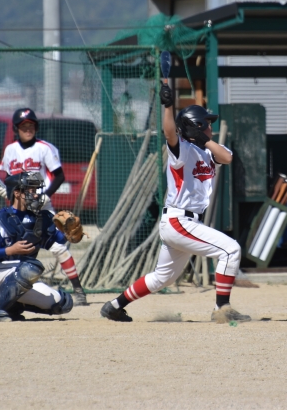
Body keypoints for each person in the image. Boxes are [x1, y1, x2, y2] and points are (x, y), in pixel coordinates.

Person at [100, 83, 250, 323]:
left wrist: (203, 138)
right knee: (230, 249)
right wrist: (168, 106)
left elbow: (228, 157)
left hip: (185, 223)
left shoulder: (208, 151)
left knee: (163, 278)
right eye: (206, 124)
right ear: (195, 126)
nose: (210, 127)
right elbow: (170, 133)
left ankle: (115, 306)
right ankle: (222, 308)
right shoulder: (183, 150)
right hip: (179, 220)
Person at [0, 108, 87, 306]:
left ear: (36, 127)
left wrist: (45, 195)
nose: (28, 129)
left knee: (59, 248)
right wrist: (7, 191)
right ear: (16, 129)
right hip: (19, 211)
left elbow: (60, 176)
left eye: (31, 125)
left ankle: (78, 290)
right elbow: (8, 177)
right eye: (24, 126)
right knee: (19, 252)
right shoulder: (10, 150)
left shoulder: (44, 148)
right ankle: (15, 294)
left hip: (41, 209)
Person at [0, 172, 74, 322]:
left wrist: (68, 233)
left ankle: (11, 307)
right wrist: (10, 250)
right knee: (31, 267)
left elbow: (58, 240)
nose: (35, 195)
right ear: (17, 193)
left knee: (61, 302)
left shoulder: (38, 219)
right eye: (31, 191)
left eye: (36, 191)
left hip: (19, 274)